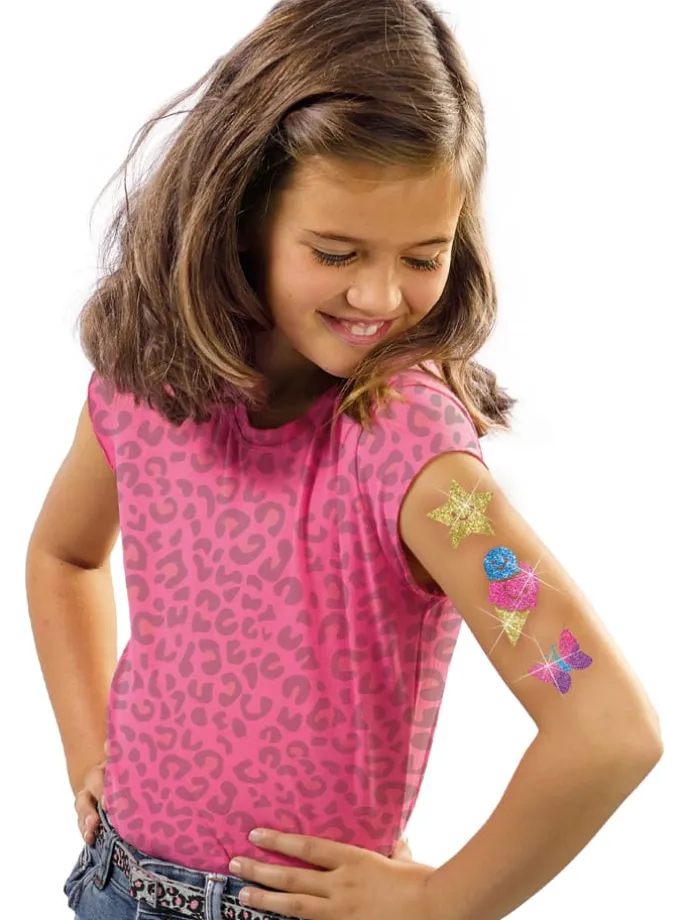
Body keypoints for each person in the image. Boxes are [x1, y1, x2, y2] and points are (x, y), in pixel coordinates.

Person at [26, 1, 663, 919]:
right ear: (242, 213)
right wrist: (88, 751)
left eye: (424, 257)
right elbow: (65, 555)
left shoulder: (418, 463)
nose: (379, 296)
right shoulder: (146, 384)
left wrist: (438, 903)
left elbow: (606, 728)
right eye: (336, 252)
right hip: (115, 885)